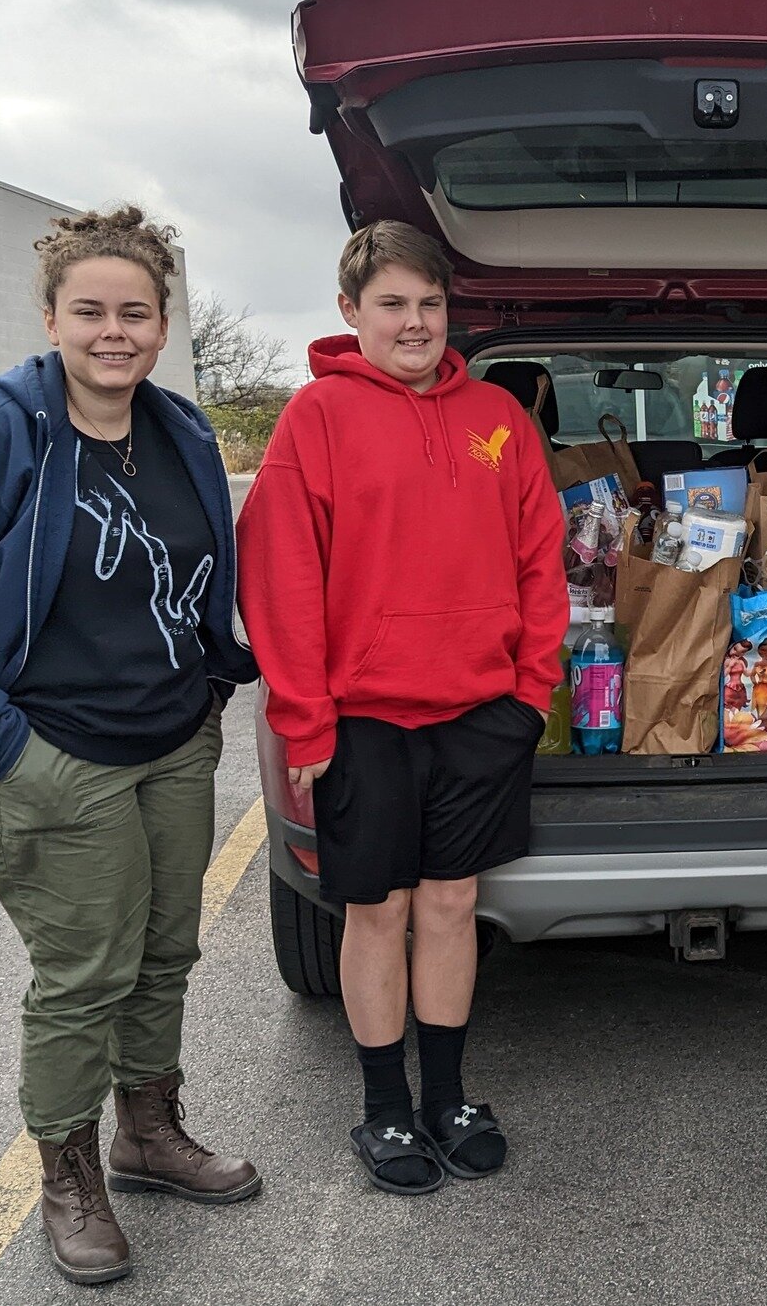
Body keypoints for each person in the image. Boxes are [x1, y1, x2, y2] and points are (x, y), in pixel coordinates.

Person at [0, 206, 260, 1285]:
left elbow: (195, 580)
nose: (113, 331)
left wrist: (215, 679)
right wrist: (4, 749)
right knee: (85, 971)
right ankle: (67, 1177)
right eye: (89, 310)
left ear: (161, 322)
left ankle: (149, 1130)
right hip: (52, 754)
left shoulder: (180, 432)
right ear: (51, 317)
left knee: (166, 951)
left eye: (135, 311)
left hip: (172, 741)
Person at [237, 221, 567, 1195]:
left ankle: (448, 1099)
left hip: (478, 716)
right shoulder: (317, 419)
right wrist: (305, 720)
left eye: (428, 303)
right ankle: (384, 1109)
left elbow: (540, 561)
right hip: (361, 724)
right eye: (392, 305)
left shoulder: (497, 414)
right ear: (351, 312)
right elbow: (281, 580)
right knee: (374, 915)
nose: (414, 323)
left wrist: (527, 694)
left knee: (454, 904)